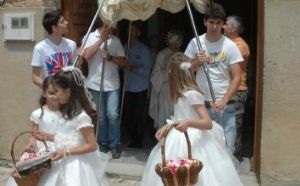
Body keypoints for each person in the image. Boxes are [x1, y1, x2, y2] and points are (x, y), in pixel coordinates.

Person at [141, 52, 242, 186]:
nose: (168, 73)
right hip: (177, 136)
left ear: (175, 73)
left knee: (193, 173)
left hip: (194, 139)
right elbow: (179, 117)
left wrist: (188, 123)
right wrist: (167, 126)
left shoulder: (192, 94)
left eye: (170, 71)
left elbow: (207, 123)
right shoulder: (179, 93)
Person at [184, 3, 243, 153]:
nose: (214, 26)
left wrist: (224, 100)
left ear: (223, 24)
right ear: (205, 22)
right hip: (201, 104)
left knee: (227, 148)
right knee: (202, 150)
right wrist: (197, 62)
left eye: (218, 23)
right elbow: (184, 71)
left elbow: (237, 77)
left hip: (225, 105)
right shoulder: (195, 42)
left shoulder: (230, 46)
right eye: (211, 22)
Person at [37, 67, 109, 186]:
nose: (55, 95)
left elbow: (92, 145)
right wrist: (48, 137)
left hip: (75, 165)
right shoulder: (64, 112)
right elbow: (68, 136)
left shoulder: (81, 116)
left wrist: (66, 152)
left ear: (68, 92)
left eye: (57, 91)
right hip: (59, 162)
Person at [81, 17, 129, 159]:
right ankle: (103, 142)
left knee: (113, 115)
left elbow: (124, 61)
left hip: (112, 83)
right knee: (101, 117)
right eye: (114, 21)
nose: (115, 25)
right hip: (95, 83)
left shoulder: (115, 40)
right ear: (106, 22)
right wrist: (101, 40)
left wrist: (110, 58)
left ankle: (115, 144)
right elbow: (86, 55)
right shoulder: (89, 37)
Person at [6, 77, 62, 186]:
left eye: (58, 92)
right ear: (44, 93)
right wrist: (30, 144)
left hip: (58, 146)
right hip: (41, 148)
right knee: (33, 173)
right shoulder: (38, 113)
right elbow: (34, 134)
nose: (55, 96)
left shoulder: (65, 113)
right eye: (51, 93)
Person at [223, 15, 250, 161]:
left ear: (233, 28)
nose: (223, 27)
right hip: (229, 90)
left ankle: (235, 158)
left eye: (226, 24)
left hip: (237, 90)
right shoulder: (230, 43)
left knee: (233, 126)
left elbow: (227, 65)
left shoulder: (240, 46)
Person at [123, 22, 153, 148]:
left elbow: (148, 70)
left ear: (138, 33)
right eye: (129, 30)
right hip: (127, 86)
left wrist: (133, 68)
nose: (130, 32)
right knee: (128, 114)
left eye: (133, 30)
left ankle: (138, 141)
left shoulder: (144, 50)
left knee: (138, 115)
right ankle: (131, 138)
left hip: (140, 87)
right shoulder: (124, 47)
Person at [31, 9, 77, 88]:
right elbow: (35, 77)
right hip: (51, 98)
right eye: (62, 22)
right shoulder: (40, 48)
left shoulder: (71, 44)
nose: (67, 23)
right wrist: (50, 89)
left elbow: (75, 69)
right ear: (54, 28)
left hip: (68, 94)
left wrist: (80, 58)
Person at [149, 30, 183, 129]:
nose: (175, 45)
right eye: (173, 42)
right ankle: (164, 135)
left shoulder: (181, 55)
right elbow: (155, 74)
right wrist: (167, 73)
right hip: (165, 88)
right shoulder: (162, 54)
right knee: (165, 112)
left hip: (179, 88)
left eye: (177, 42)